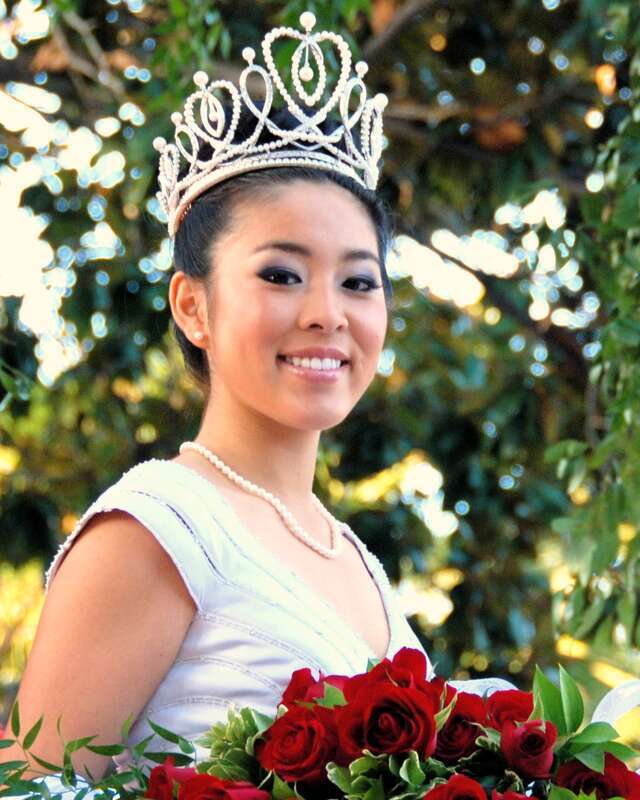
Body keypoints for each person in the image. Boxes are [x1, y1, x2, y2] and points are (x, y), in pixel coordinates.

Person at [0, 12, 512, 795]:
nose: (326, 313)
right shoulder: (155, 531)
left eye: (358, 281)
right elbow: (32, 786)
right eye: (281, 274)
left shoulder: (357, 561)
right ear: (192, 306)